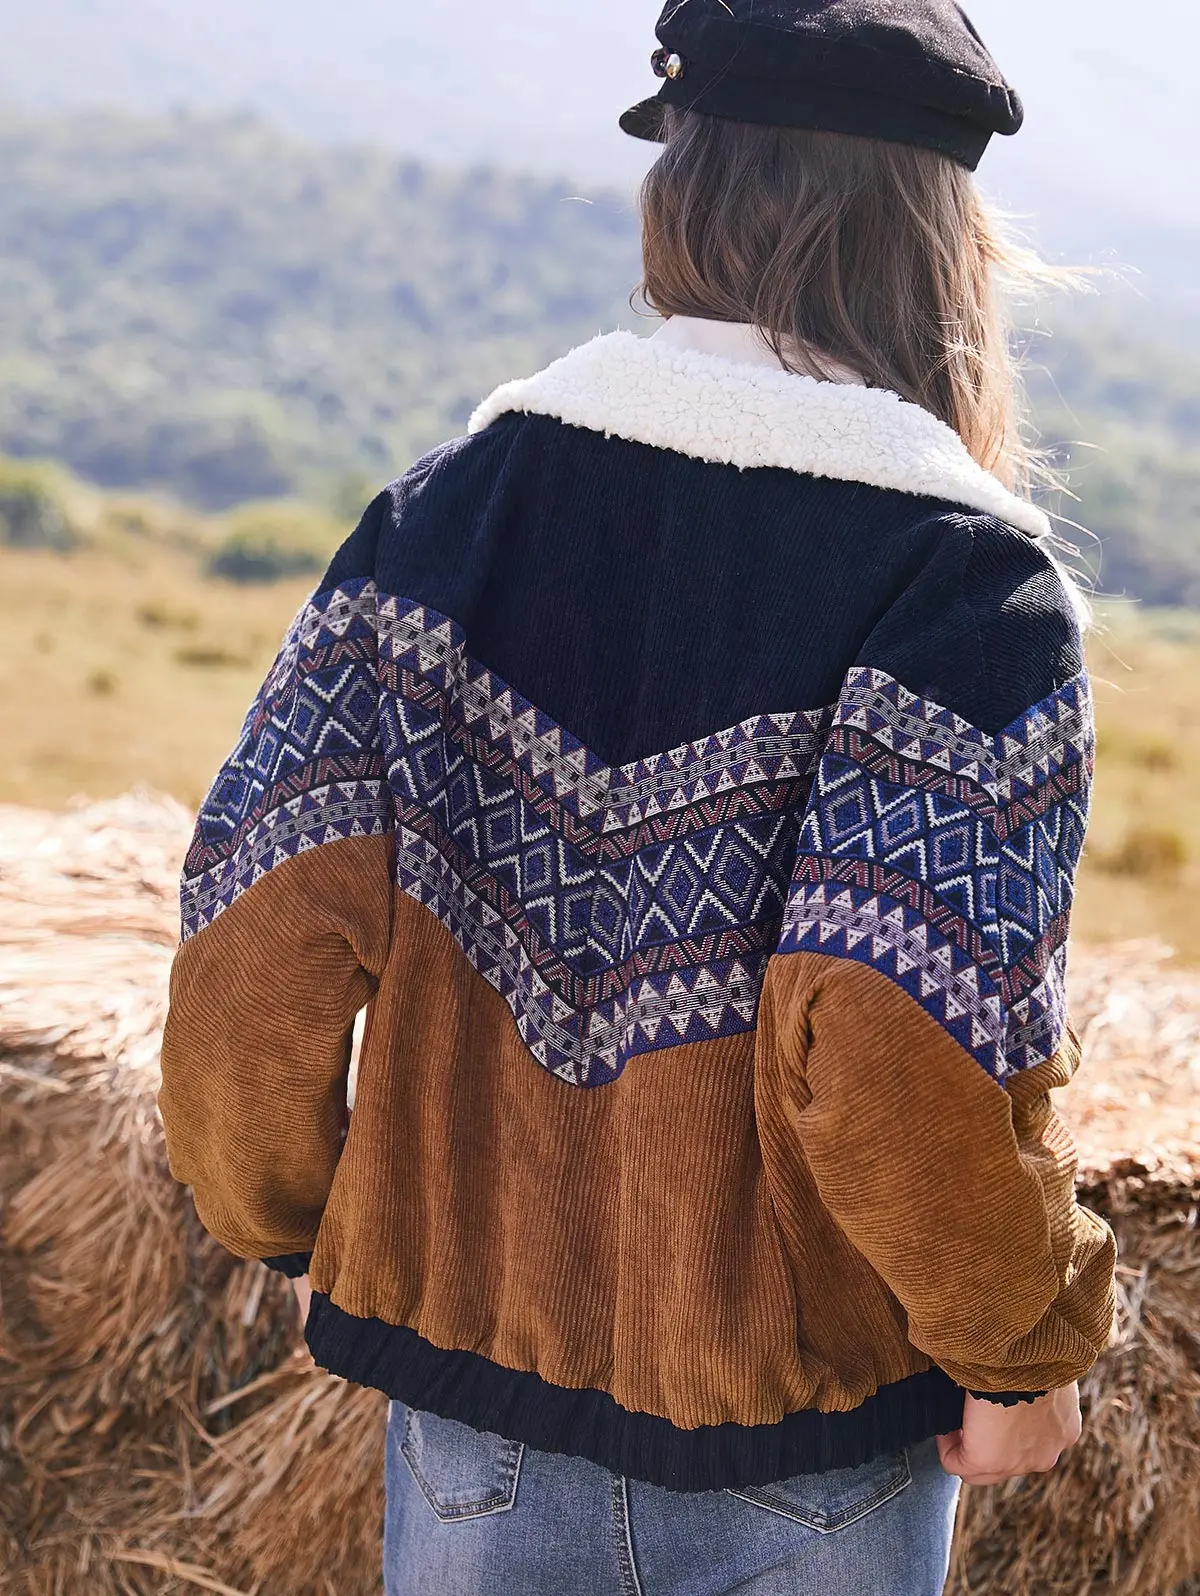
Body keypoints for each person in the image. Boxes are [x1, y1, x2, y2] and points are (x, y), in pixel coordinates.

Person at [158, 2, 1118, 1591]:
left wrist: (304, 1219)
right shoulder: (965, 588)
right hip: (809, 1445)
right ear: (937, 238)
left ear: (683, 193)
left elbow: (258, 923)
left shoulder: (442, 520)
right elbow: (888, 1037)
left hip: (474, 1418)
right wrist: (1020, 1344)